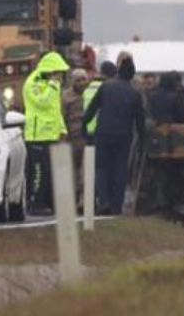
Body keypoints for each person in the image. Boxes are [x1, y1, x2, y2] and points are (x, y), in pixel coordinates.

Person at [83, 56, 145, 215]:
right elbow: (140, 122)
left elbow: (90, 110)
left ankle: (104, 201)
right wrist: (143, 141)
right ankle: (116, 205)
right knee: (119, 170)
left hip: (103, 133)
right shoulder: (134, 94)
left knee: (102, 168)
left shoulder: (105, 87)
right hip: (123, 137)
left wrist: (85, 129)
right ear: (131, 75)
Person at [23, 51, 71, 214]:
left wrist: (62, 129)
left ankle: (48, 203)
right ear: (51, 71)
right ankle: (36, 204)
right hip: (37, 136)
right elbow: (41, 102)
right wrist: (52, 85)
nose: (60, 77)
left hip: (51, 136)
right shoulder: (33, 82)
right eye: (58, 72)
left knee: (50, 172)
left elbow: (55, 110)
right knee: (38, 172)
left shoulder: (53, 86)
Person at [62, 68, 91, 211]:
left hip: (87, 137)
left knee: (86, 171)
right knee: (72, 171)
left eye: (83, 79)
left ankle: (83, 200)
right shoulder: (66, 97)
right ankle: (72, 199)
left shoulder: (90, 94)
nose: (81, 82)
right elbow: (61, 116)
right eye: (78, 80)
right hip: (71, 138)